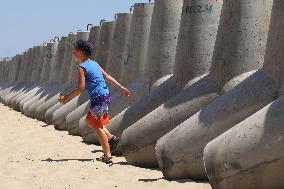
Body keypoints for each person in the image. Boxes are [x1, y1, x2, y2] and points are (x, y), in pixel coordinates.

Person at [58, 39, 130, 164]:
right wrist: (120, 87)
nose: (73, 53)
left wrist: (66, 98)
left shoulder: (81, 67)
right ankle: (111, 139)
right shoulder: (94, 63)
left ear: (80, 52)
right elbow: (107, 76)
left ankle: (107, 156)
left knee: (97, 126)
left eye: (74, 51)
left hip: (98, 98)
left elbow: (80, 88)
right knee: (90, 120)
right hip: (105, 95)